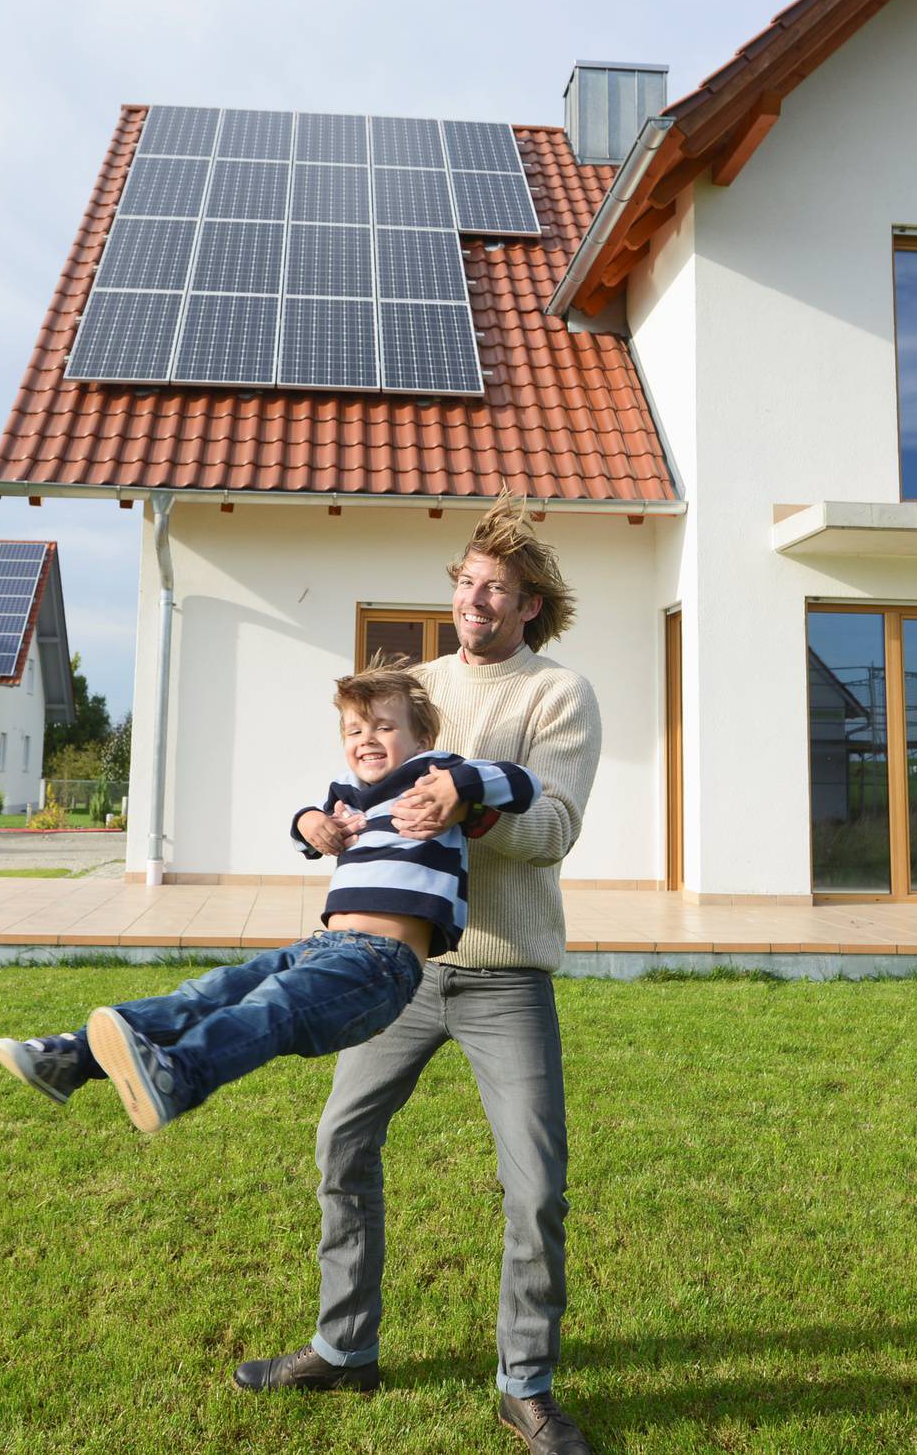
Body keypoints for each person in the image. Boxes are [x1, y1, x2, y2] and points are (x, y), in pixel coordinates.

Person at [234, 496, 603, 1455]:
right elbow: (360, 782)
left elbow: (554, 827)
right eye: (466, 581)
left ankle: (524, 1383)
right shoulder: (418, 683)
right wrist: (325, 825)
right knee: (341, 1142)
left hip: (503, 973)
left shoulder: (557, 694)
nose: (476, 598)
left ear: (530, 606)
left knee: (536, 1185)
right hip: (394, 966)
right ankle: (345, 1347)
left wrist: (469, 811)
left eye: (497, 589)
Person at [0, 661, 539, 1133]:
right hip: (324, 946)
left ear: (420, 738)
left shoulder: (432, 773)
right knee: (208, 991)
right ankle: (73, 1057)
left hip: (383, 964)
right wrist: (308, 822)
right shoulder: (346, 796)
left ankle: (180, 1077)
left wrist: (456, 787)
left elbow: (523, 785)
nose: (365, 738)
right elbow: (306, 827)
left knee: (271, 1006)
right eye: (352, 730)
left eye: (383, 726)